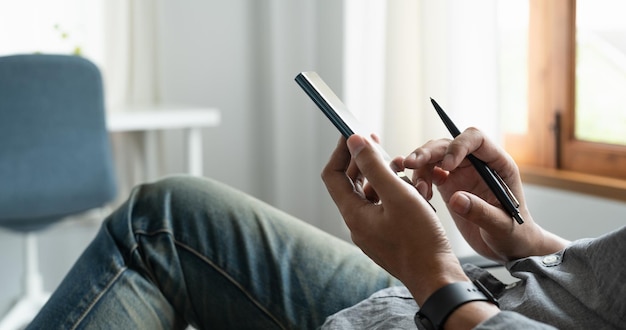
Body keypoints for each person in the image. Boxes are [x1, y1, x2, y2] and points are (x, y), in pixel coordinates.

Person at [28, 127, 624, 329]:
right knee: (167, 216)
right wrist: (533, 243)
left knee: (154, 230)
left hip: (453, 309)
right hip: (477, 295)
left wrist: (438, 282)